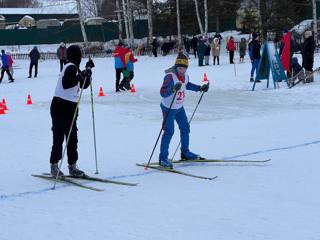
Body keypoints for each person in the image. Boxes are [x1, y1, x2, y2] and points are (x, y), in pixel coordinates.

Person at [158, 53, 209, 168]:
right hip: (168, 108)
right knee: (169, 131)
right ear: (176, 67)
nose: (182, 70)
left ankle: (185, 153)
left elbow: (187, 85)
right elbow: (162, 93)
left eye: (184, 68)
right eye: (180, 68)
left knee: (185, 128)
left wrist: (199, 88)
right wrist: (172, 89)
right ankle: (163, 158)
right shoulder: (170, 77)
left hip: (179, 108)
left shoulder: (185, 76)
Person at [49, 45, 94, 177]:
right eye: (79, 54)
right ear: (75, 56)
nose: (80, 56)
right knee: (59, 137)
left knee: (72, 137)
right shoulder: (70, 67)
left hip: (71, 107)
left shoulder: (75, 68)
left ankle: (72, 166)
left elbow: (83, 84)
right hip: (60, 106)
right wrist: (81, 75)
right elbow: (66, 83)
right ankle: (54, 165)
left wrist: (88, 72)